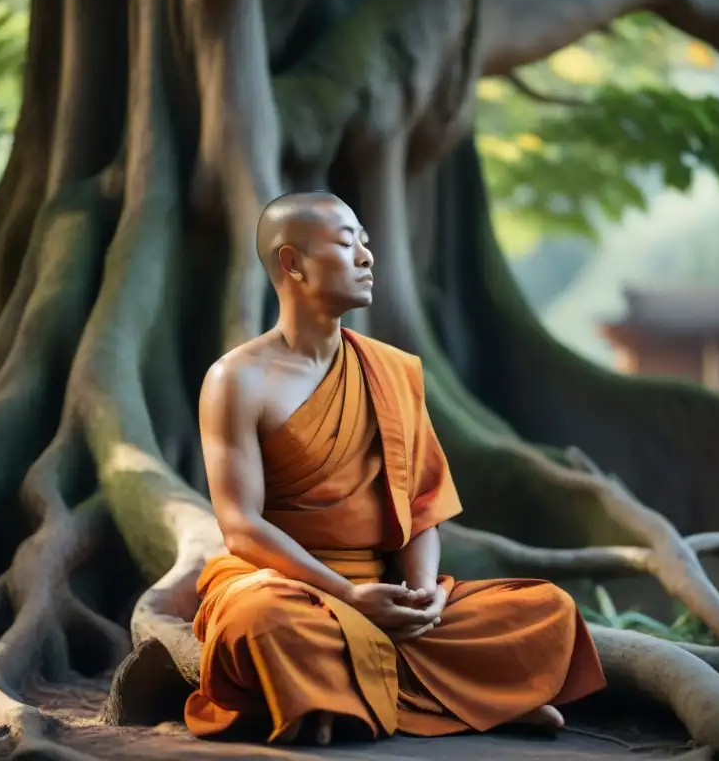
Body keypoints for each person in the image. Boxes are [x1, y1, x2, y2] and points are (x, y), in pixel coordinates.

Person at [184, 191, 606, 745]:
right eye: (345, 242)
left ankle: (341, 698)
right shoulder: (237, 379)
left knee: (547, 609)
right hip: (287, 585)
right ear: (292, 263)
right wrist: (345, 594)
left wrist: (423, 595)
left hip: (385, 588)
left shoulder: (391, 370)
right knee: (257, 624)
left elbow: (423, 506)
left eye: (364, 239)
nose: (367, 256)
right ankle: (469, 700)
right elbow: (240, 525)